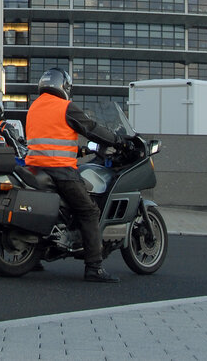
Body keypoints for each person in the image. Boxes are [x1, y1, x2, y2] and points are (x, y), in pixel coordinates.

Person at [25, 67, 126, 283]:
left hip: (34, 167)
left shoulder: (34, 107)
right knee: (89, 211)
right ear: (63, 86)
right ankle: (94, 267)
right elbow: (91, 128)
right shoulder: (65, 107)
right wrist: (117, 140)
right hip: (61, 169)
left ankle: (34, 257)